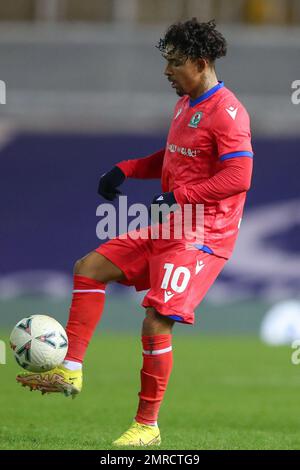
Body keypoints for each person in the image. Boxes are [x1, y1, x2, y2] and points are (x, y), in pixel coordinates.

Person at [17, 18, 253, 447]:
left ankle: (147, 425)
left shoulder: (228, 113)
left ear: (200, 63)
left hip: (204, 234)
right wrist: (127, 168)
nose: (166, 72)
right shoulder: (186, 104)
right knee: (89, 267)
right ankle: (70, 368)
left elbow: (239, 176)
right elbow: (176, 154)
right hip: (173, 225)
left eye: (175, 64)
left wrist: (180, 197)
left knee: (157, 320)